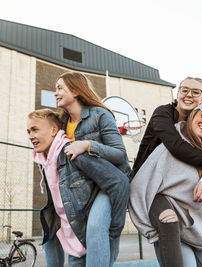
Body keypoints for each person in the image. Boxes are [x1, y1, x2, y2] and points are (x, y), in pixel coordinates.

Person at [132, 77, 202, 267]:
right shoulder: (166, 117)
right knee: (169, 221)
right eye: (184, 90)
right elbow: (176, 146)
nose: (188, 95)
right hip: (153, 188)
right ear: (178, 93)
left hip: (183, 196)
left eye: (195, 92)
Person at [27, 109, 129, 266]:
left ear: (54, 130)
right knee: (47, 225)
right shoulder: (44, 161)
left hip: (85, 238)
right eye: (28, 131)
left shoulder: (72, 153)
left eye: (35, 130)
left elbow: (120, 181)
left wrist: (113, 232)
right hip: (70, 237)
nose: (31, 136)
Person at [54, 71, 131, 266]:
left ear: (76, 91)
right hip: (84, 187)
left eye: (60, 88)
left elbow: (120, 154)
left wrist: (87, 145)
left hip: (109, 183)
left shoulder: (99, 115)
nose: (55, 93)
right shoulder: (62, 123)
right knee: (79, 237)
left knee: (97, 227)